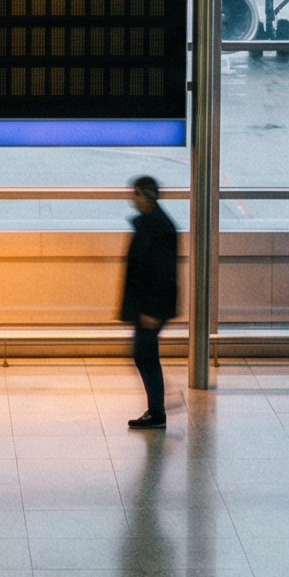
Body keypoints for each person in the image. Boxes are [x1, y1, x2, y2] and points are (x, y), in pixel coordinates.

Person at [118, 175, 179, 430]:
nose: (133, 201)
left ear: (148, 196)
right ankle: (157, 407)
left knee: (145, 355)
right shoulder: (153, 224)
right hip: (147, 304)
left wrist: (152, 310)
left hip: (151, 306)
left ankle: (157, 411)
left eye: (137, 195)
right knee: (144, 355)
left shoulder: (159, 228)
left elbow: (163, 273)